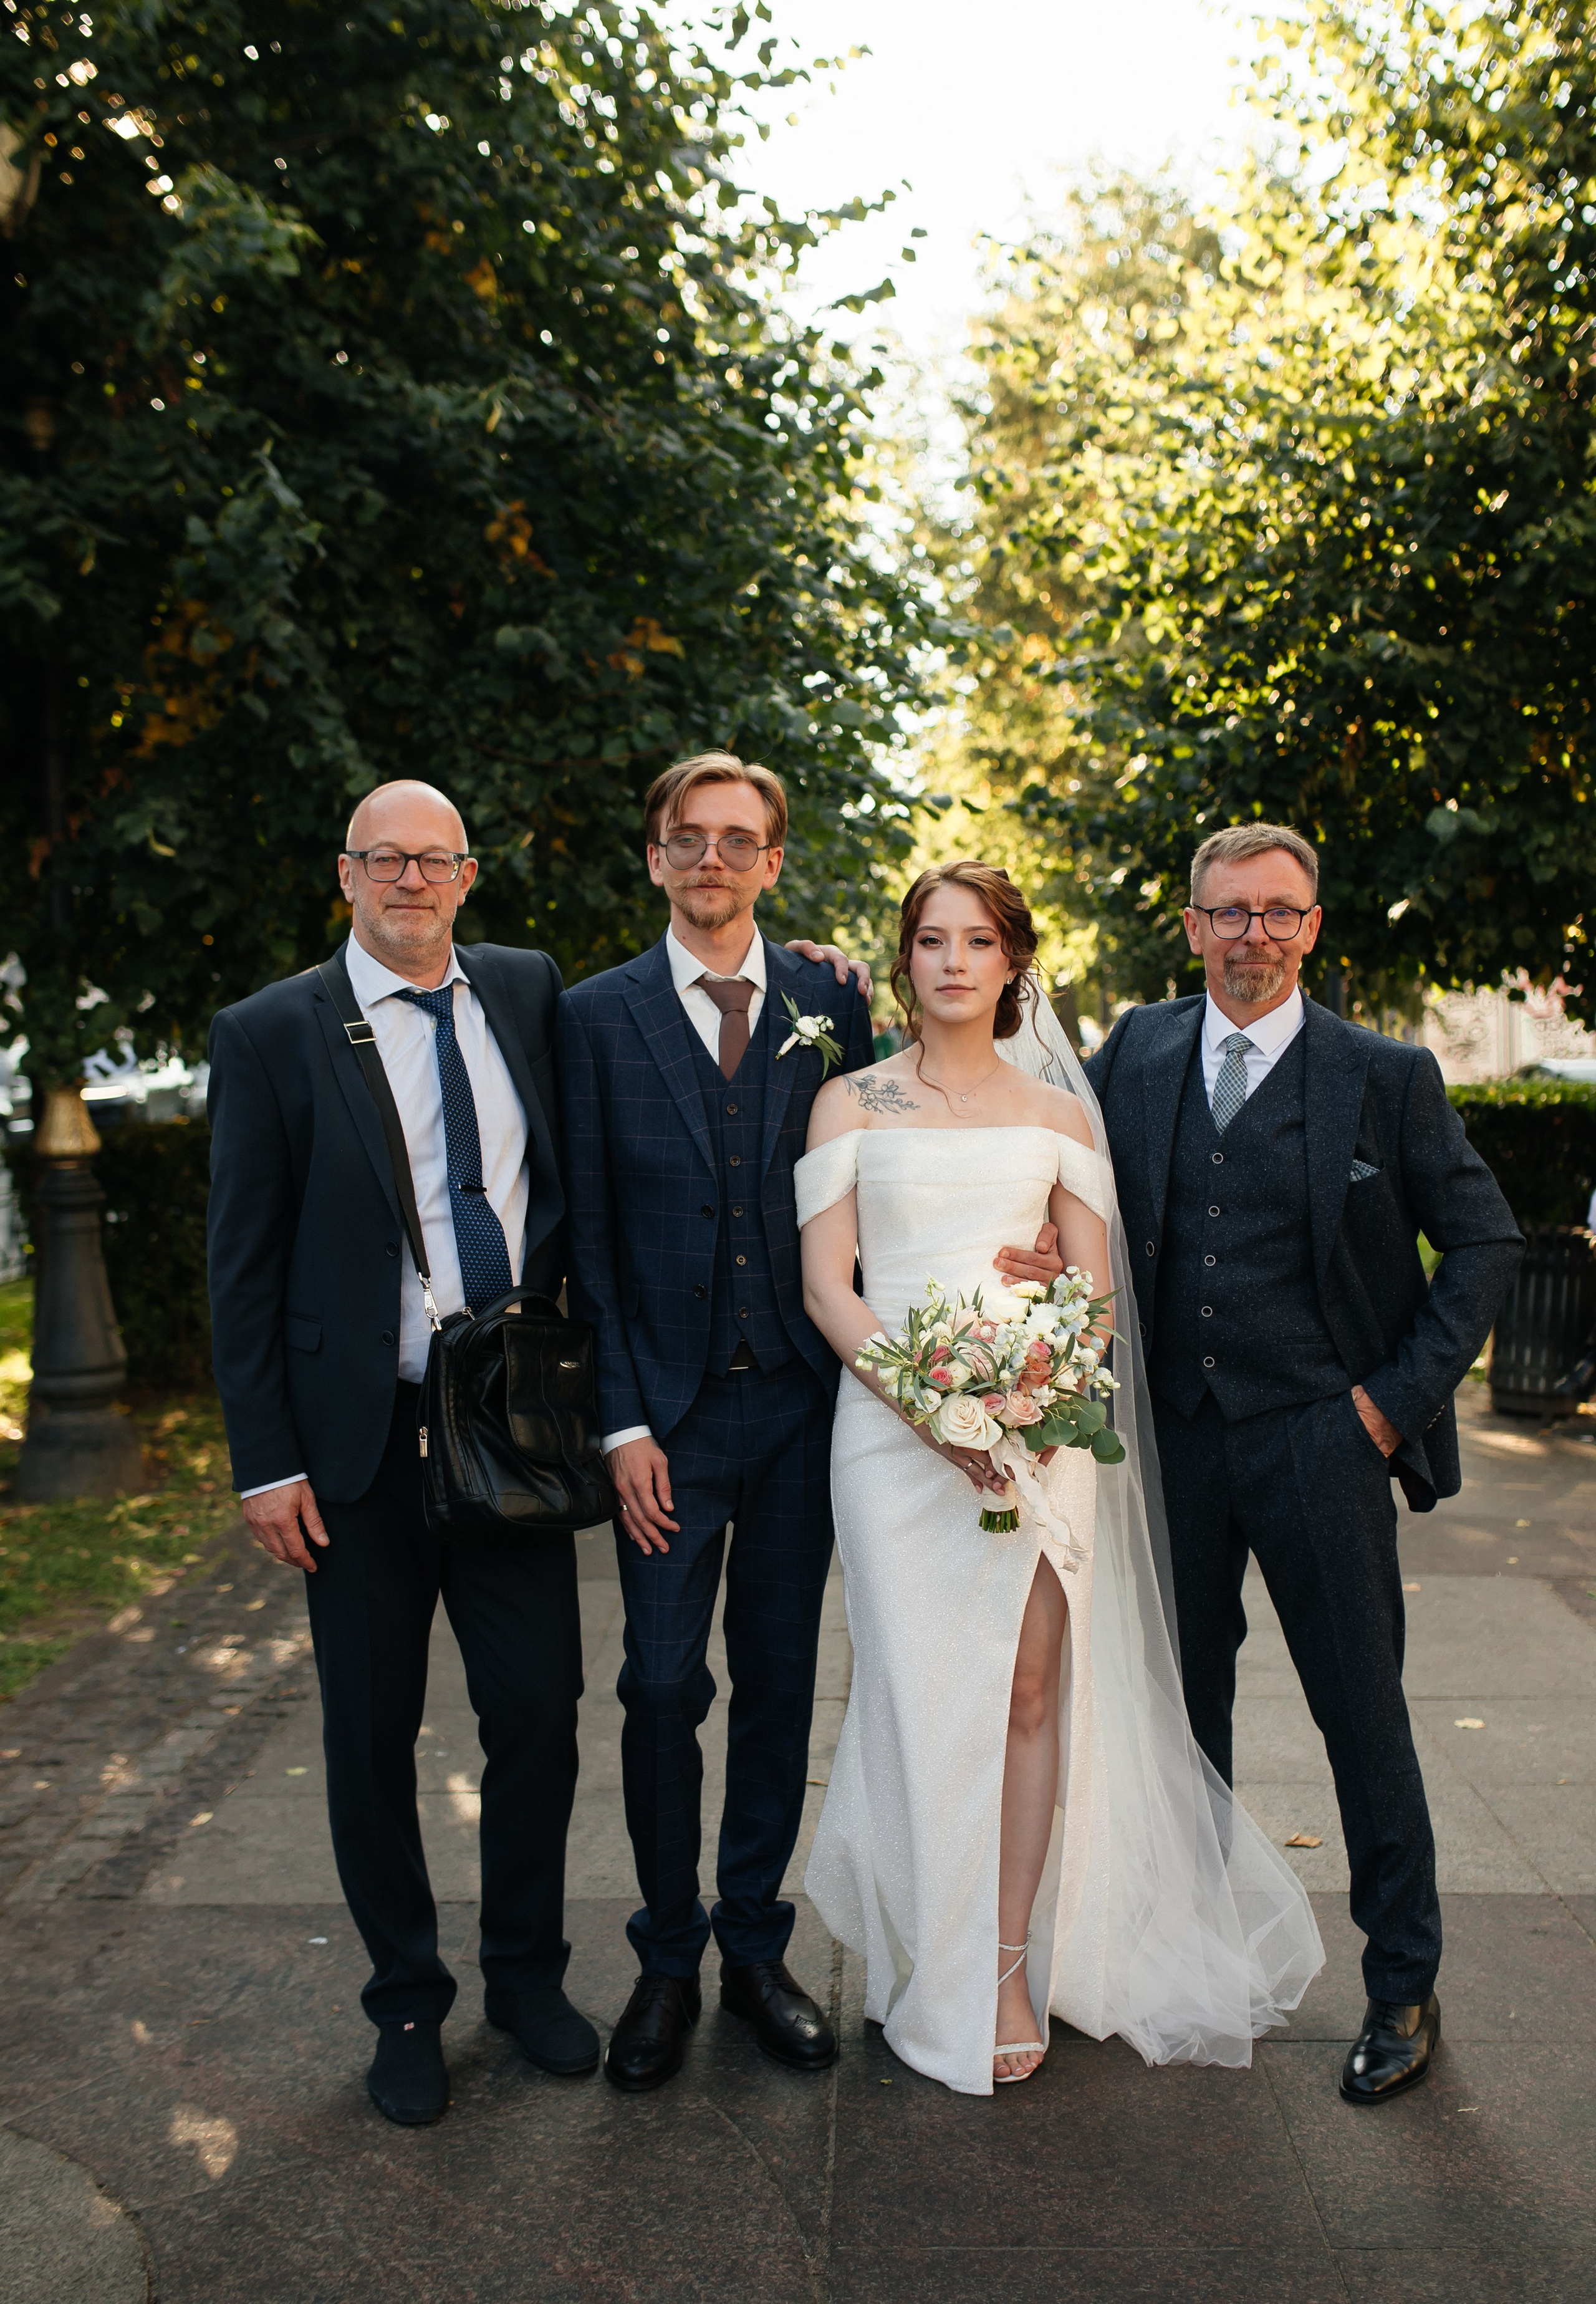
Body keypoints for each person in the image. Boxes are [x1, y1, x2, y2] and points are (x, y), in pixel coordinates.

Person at [557, 756, 1068, 2092]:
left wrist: (1024, 1277)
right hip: (666, 1426)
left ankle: (752, 1949)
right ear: (656, 857)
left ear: (773, 863)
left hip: (801, 1407)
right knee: (660, 1687)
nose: (712, 860)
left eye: (739, 840)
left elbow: (915, 1152)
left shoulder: (827, 1000)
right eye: (687, 839)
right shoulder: (592, 1017)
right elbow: (587, 1240)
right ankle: (664, 1962)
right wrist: (620, 1426)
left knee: (782, 1680)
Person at [797, 861, 1323, 2095]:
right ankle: (927, 1950)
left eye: (977, 941)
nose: (953, 962)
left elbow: (1094, 1294)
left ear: (1012, 962)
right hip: (891, 1439)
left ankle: (1003, 1966)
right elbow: (828, 1285)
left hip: (1038, 1431)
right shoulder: (848, 1103)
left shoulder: (1058, 1116)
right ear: (904, 959)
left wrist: (1032, 1401)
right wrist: (935, 1411)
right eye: (931, 940)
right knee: (920, 1696)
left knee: (1029, 1692)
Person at [1085, 822, 1524, 2105]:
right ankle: (1192, 1957)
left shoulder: (1383, 1076)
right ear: (1191, 927)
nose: (1253, 936)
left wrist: (1388, 1407)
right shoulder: (1136, 1049)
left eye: (1279, 912)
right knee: (1179, 1713)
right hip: (1169, 1436)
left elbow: (1486, 1241)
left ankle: (1403, 1984)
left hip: (1320, 1439)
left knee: (1360, 1714)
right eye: (1229, 912)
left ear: (1312, 927)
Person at [206, 779, 596, 2126]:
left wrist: (818, 976)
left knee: (538, 1717)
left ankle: (527, 1980)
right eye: (386, 860)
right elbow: (240, 1267)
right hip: (355, 1449)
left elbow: (651, 1028)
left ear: (469, 877)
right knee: (370, 1736)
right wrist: (265, 1462)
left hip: (511, 1427)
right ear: (347, 875)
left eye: (435, 861)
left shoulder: (529, 992)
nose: (411, 881)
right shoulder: (270, 1031)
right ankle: (407, 2003)